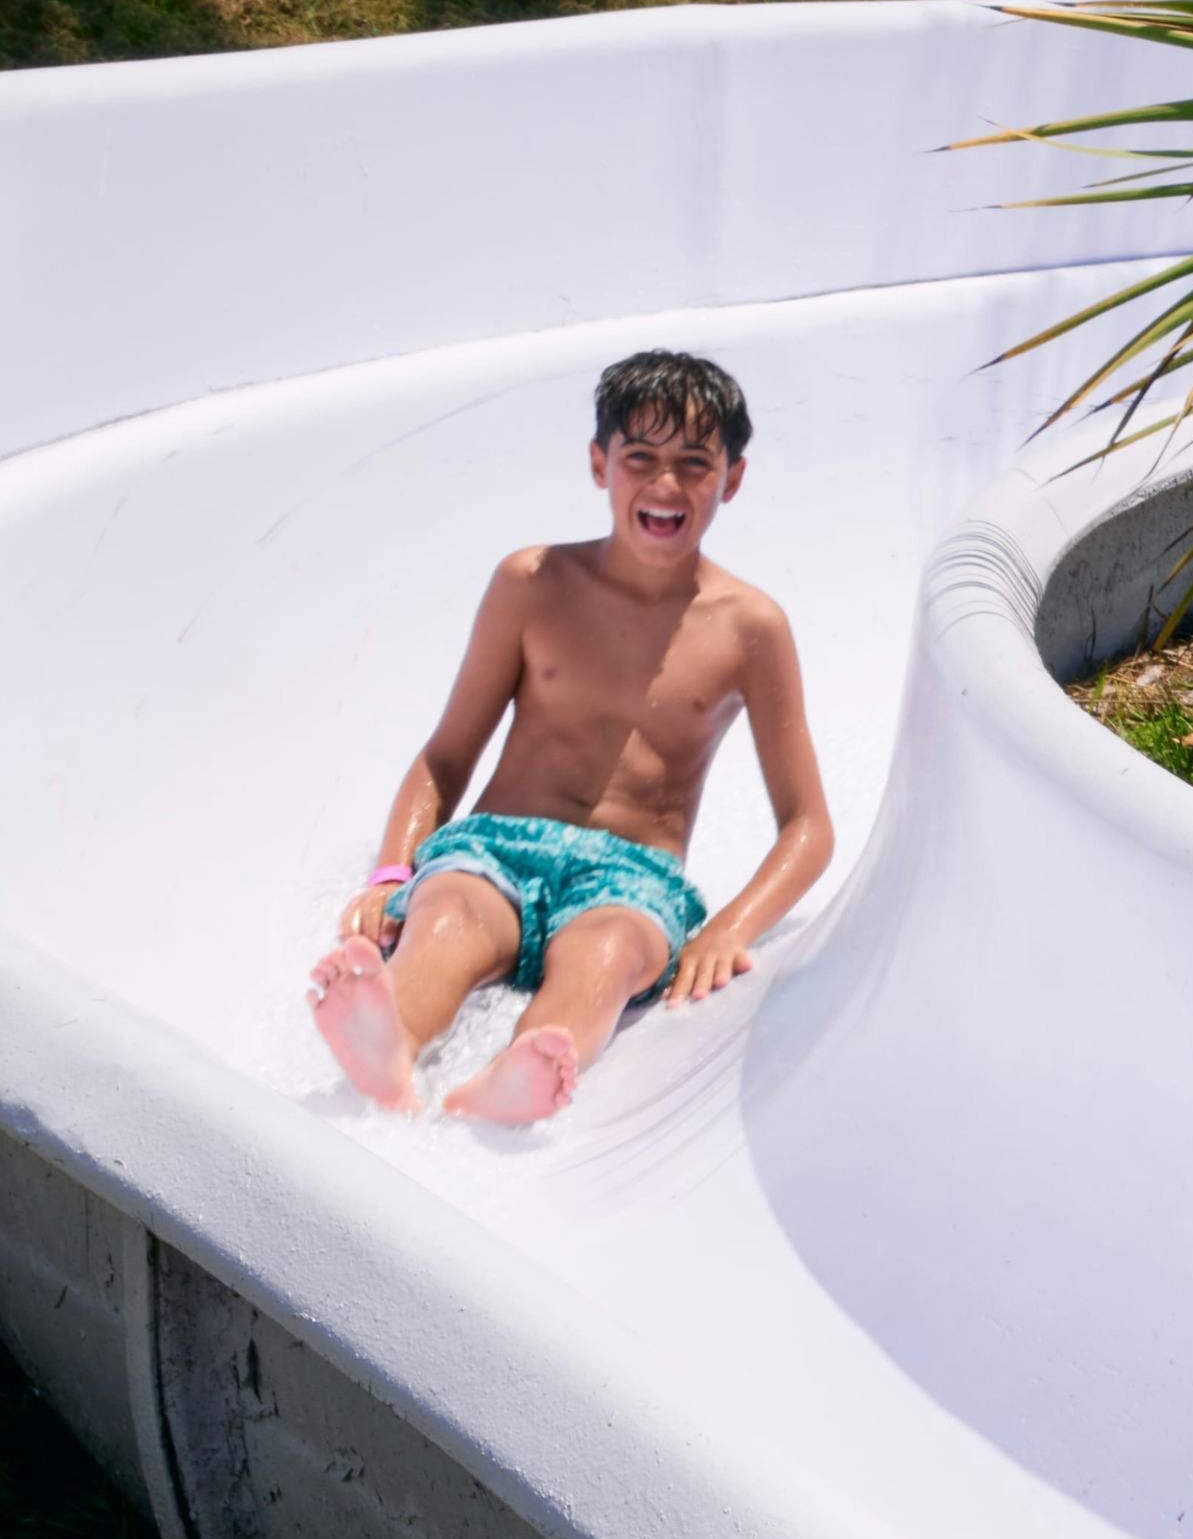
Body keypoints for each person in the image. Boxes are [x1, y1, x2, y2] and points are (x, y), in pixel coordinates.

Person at [305, 351, 831, 1123]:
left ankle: (529, 1067)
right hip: (494, 850)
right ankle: (391, 1037)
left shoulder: (749, 628)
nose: (665, 486)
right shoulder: (533, 584)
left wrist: (726, 929)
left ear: (733, 478)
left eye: (694, 464)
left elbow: (809, 825)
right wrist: (392, 873)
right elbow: (445, 755)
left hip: (633, 878)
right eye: (640, 459)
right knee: (446, 918)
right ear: (599, 464)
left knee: (608, 955)